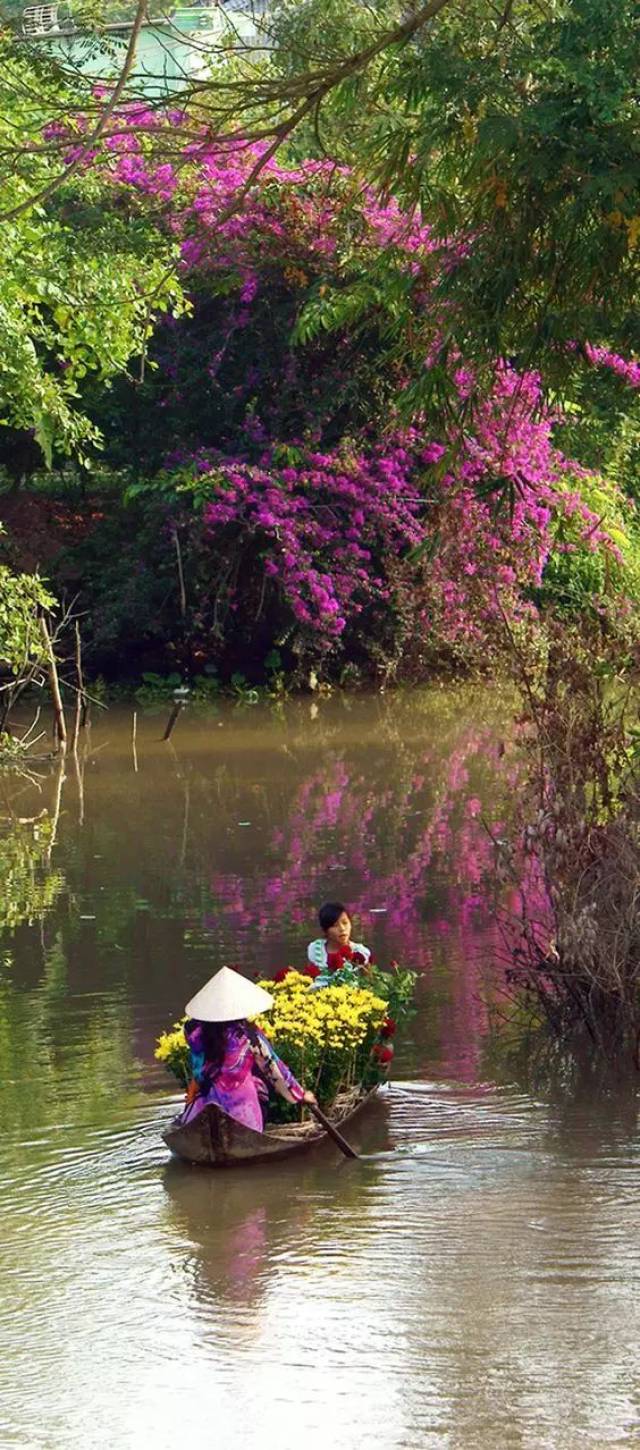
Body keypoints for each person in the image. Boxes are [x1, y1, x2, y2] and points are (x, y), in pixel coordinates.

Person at [178, 966, 316, 1132]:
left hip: (204, 1103)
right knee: (259, 1086)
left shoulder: (192, 1032)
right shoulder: (248, 1035)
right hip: (242, 1108)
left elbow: (199, 1068)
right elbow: (273, 1068)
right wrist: (300, 1095)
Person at [306, 901, 371, 986]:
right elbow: (309, 978)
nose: (342, 929)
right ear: (325, 930)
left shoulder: (360, 953)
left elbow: (369, 983)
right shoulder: (315, 949)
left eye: (345, 923)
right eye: (335, 925)